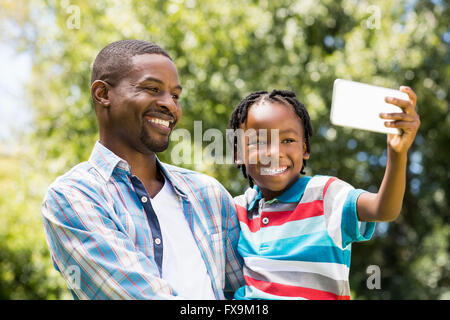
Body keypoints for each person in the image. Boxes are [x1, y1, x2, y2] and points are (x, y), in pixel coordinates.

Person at [41, 40, 243, 300]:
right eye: (152, 89)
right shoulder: (74, 196)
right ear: (103, 94)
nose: (170, 105)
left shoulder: (209, 195)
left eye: (175, 95)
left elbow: (247, 294)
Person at [228, 88, 420, 299]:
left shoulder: (326, 195)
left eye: (288, 141)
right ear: (238, 153)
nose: (274, 152)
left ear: (305, 148)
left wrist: (397, 154)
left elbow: (383, 209)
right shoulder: (237, 209)